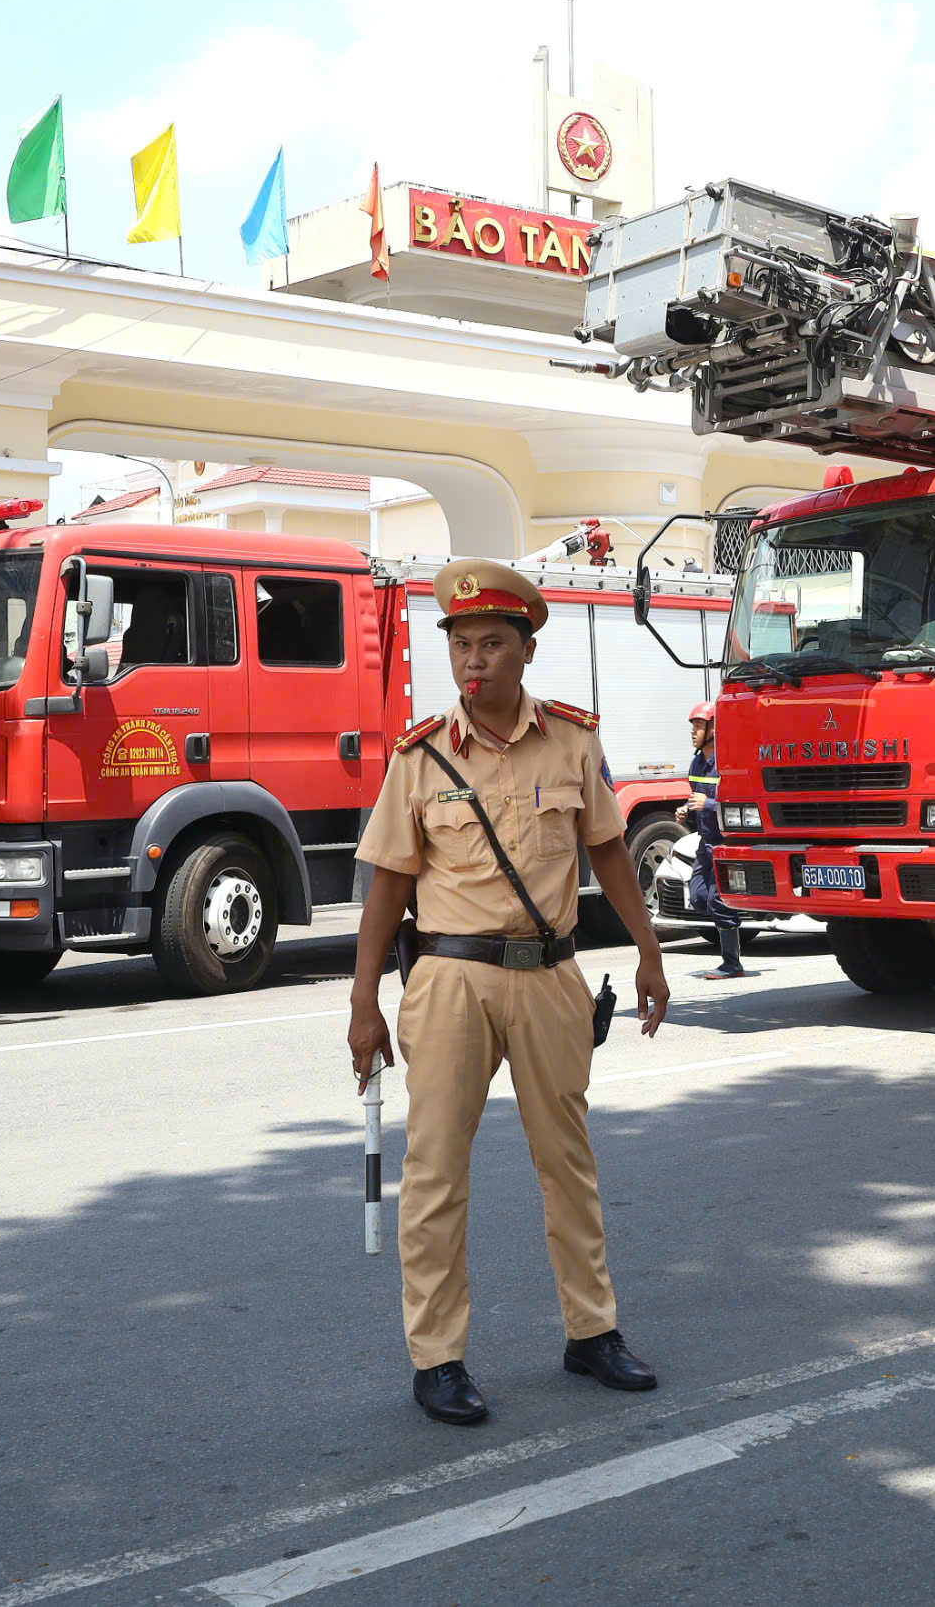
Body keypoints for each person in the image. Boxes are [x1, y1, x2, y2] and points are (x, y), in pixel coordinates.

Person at [350, 558, 672, 1428]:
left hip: (551, 975)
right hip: (450, 979)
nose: (474, 660)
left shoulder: (572, 742)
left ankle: (591, 1332)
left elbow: (609, 851)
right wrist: (361, 1003)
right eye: (461, 645)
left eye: (492, 644)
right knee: (436, 1173)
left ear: (526, 652)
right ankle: (439, 1358)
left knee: (567, 1163)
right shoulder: (420, 758)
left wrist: (648, 952)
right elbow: (386, 883)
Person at [678, 701, 754, 981]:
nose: (693, 732)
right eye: (693, 726)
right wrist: (685, 812)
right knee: (699, 899)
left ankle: (732, 964)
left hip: (725, 843)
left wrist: (708, 804)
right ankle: (740, 913)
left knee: (718, 901)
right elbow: (696, 801)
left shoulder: (728, 761)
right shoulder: (697, 762)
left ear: (714, 729)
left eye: (698, 726)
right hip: (705, 842)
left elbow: (741, 804)